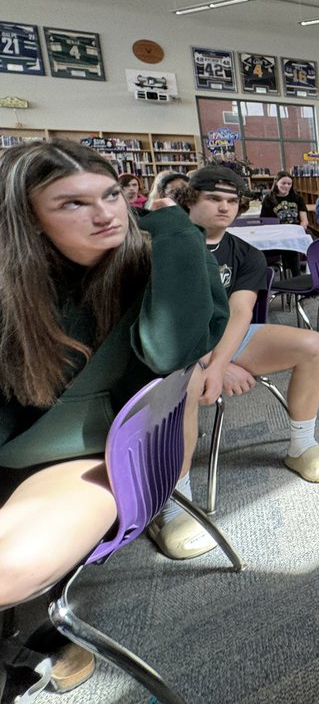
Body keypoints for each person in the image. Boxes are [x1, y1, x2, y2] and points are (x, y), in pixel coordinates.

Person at [0, 140, 229, 692]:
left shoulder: (154, 254)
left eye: (110, 195)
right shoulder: (18, 285)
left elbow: (171, 347)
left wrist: (173, 223)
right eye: (71, 204)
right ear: (27, 222)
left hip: (88, 454)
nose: (105, 214)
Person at [164, 165, 319, 559]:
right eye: (213, 199)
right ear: (191, 199)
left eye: (231, 201)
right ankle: (173, 504)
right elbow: (174, 315)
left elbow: (241, 312)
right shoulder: (168, 243)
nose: (224, 207)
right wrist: (212, 365)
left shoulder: (245, 253)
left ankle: (301, 445)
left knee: (313, 345)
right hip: (173, 340)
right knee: (189, 383)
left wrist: (223, 360)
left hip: (226, 336)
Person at [260, 171, 309, 276]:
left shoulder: (298, 198)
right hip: (276, 234)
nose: (286, 186)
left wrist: (302, 226)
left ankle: (297, 277)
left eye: (289, 184)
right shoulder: (268, 199)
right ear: (276, 182)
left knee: (292, 247)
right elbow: (265, 222)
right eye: (283, 183)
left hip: (294, 233)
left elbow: (304, 220)